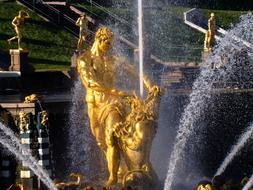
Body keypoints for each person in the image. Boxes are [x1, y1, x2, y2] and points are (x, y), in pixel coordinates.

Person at [77, 27, 132, 187]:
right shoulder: (85, 59)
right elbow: (90, 82)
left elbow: (133, 70)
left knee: (112, 138)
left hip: (112, 102)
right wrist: (115, 91)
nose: (109, 46)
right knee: (101, 141)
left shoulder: (112, 59)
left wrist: (148, 83)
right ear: (98, 40)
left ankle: (114, 176)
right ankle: (120, 169)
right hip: (94, 103)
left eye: (111, 43)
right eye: (107, 43)